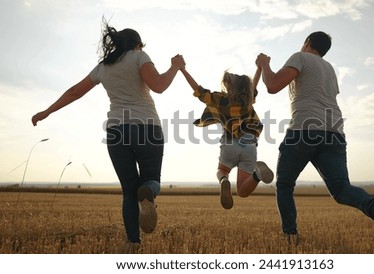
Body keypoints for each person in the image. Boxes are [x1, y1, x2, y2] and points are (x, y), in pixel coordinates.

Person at [255, 31, 374, 253]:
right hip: (334, 132)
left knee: (284, 185)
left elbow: (273, 85)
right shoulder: (330, 69)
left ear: (307, 43)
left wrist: (264, 64)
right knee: (342, 189)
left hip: (305, 129)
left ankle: (290, 237)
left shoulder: (300, 57)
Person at [31, 21, 185, 247]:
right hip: (146, 127)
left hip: (116, 132)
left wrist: (46, 111)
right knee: (152, 180)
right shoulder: (139, 57)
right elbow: (159, 86)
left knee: (128, 191)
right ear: (137, 45)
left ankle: (133, 242)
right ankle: (148, 191)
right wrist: (175, 67)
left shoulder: (103, 67)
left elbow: (75, 92)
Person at [180, 66, 274, 209]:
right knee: (242, 191)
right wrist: (259, 68)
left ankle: (224, 180)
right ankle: (257, 175)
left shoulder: (220, 99)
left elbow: (199, 91)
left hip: (230, 143)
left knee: (222, 170)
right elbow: (254, 85)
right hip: (250, 145)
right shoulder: (248, 99)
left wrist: (183, 69)